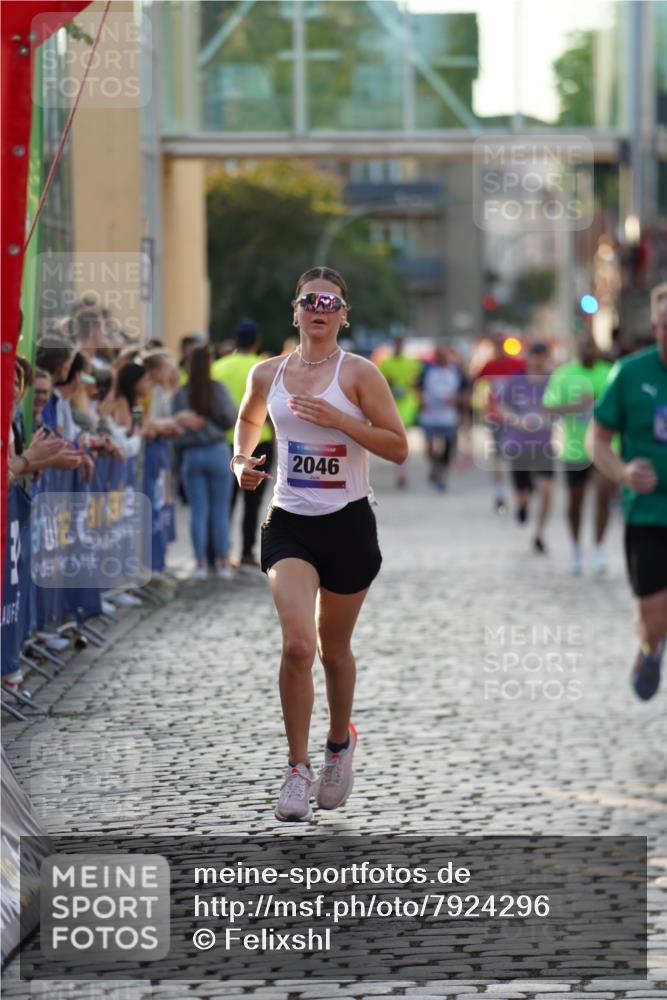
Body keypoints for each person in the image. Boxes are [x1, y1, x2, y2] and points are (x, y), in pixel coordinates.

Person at [231, 266, 407, 822]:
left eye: (330, 301)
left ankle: (338, 746)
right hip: (289, 523)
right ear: (296, 309)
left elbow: (398, 448)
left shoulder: (360, 375)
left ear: (343, 314)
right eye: (310, 299)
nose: (320, 308)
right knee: (298, 646)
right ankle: (296, 767)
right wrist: (241, 461)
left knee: (333, 651)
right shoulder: (268, 373)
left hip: (349, 523)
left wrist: (339, 419)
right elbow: (248, 420)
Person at [586, 284, 667, 700]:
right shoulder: (631, 374)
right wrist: (622, 470)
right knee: (655, 621)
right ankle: (651, 648)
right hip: (648, 514)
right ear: (656, 327)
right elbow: (596, 440)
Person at [542, 335, 614, 575]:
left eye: (591, 346)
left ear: (597, 349)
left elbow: (621, 408)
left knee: (604, 495)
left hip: (606, 447)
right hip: (574, 447)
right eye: (584, 345)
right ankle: (575, 548)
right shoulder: (564, 374)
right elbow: (549, 408)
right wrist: (577, 406)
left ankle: (599, 548)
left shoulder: (611, 372)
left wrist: (597, 404)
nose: (588, 350)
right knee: (576, 500)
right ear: (577, 348)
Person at [212, 319, 275, 569]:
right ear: (257, 341)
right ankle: (248, 551)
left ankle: (222, 552)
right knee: (254, 503)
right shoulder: (263, 367)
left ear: (235, 341)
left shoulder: (217, 367)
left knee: (225, 501)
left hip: (225, 441)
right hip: (260, 441)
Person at [172, 344, 237, 580]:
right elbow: (230, 417)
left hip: (191, 453)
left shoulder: (181, 393)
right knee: (220, 509)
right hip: (217, 450)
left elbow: (175, 425)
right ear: (210, 363)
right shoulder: (217, 389)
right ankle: (222, 561)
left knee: (198, 511)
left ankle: (200, 562)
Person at [497, 342, 555, 553]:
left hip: (544, 444)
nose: (538, 360)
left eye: (542, 356)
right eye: (534, 355)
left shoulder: (554, 380)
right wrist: (516, 419)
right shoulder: (516, 380)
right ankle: (523, 504)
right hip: (519, 443)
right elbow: (502, 406)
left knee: (547, 489)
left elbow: (564, 405)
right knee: (523, 491)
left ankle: (539, 534)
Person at [471, 335, 527, 514]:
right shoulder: (488, 366)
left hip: (515, 418)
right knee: (498, 456)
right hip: (496, 418)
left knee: (516, 455)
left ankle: (520, 492)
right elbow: (475, 383)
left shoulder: (517, 364)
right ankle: (499, 494)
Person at [418, 342, 467, 492]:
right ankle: (434, 465)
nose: (442, 357)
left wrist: (457, 401)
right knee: (429, 448)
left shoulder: (456, 372)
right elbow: (417, 387)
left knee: (447, 449)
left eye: (444, 354)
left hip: (448, 417)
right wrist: (422, 401)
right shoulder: (427, 370)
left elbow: (466, 392)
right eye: (439, 354)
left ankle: (442, 477)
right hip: (430, 415)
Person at [378, 335, 422, 487]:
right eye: (396, 343)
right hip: (391, 403)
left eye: (400, 343)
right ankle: (399, 465)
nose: (398, 345)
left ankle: (401, 471)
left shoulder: (412, 362)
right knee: (396, 435)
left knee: (403, 435)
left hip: (408, 404)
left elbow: (417, 382)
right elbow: (381, 383)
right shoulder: (385, 363)